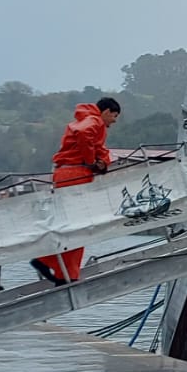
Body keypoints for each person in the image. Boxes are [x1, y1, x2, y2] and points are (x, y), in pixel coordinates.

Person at [31, 97, 120, 286]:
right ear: (105, 112)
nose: (114, 120)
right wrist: (90, 160)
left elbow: (93, 143)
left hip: (68, 173)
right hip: (76, 173)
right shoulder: (94, 121)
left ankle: (59, 268)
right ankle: (59, 268)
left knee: (72, 225)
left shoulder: (85, 120)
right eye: (114, 115)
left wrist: (100, 161)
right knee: (78, 225)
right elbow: (84, 133)